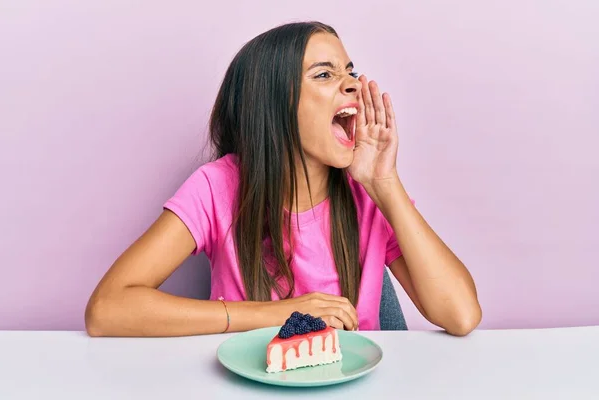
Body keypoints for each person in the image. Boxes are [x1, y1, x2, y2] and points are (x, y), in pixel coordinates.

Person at [85, 21, 482, 338]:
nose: (351, 84)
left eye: (350, 71)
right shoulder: (217, 188)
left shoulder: (369, 193)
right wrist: (278, 314)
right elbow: (107, 309)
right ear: (274, 103)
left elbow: (461, 315)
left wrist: (386, 184)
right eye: (324, 74)